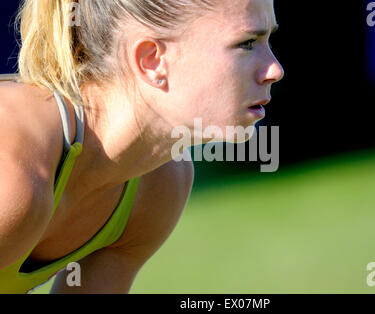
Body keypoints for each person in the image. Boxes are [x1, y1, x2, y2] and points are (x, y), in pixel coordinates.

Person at [0, 0, 284, 294]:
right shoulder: (13, 163)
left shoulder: (159, 185)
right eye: (247, 43)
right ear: (152, 60)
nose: (275, 70)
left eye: (267, 40)